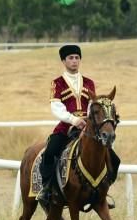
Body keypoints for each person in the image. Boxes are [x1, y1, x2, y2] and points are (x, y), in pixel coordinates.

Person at [36, 44, 96, 206]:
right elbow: (56, 107)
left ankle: (103, 190)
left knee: (109, 154)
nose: (74, 61)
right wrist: (74, 120)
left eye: (77, 58)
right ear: (64, 61)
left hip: (87, 127)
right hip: (66, 127)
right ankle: (47, 189)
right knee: (50, 153)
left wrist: (88, 121)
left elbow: (92, 106)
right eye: (70, 58)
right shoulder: (57, 83)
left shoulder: (89, 83)